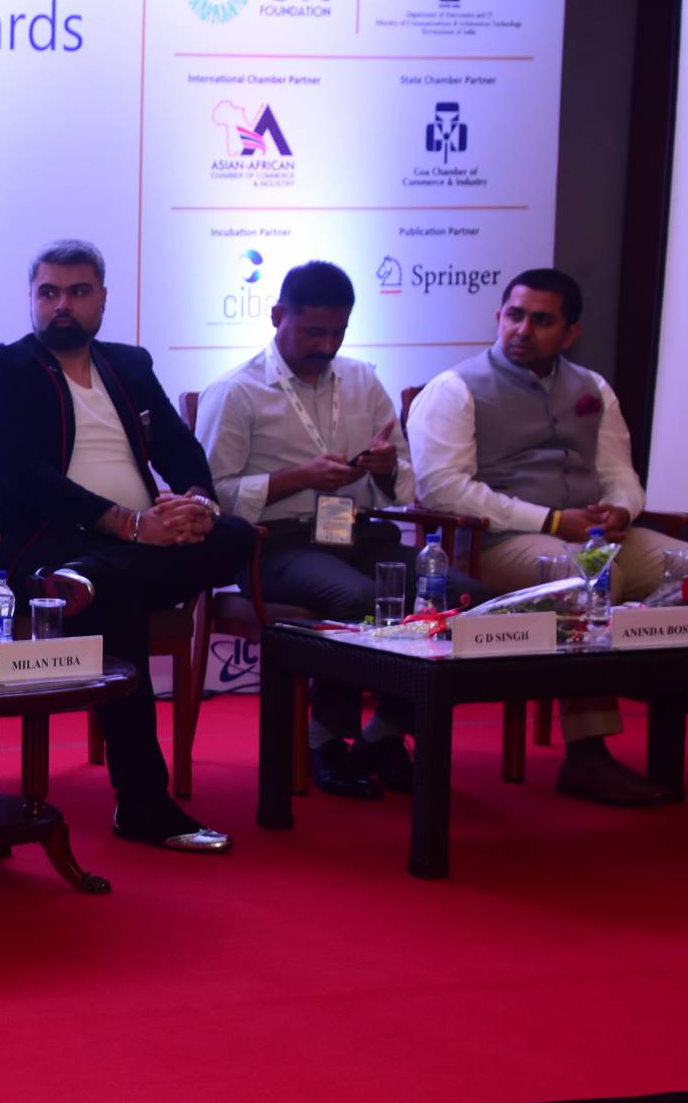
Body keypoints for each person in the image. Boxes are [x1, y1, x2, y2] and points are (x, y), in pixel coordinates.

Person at [0, 239, 254, 852]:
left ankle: (92, 577)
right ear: (32, 299)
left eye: (77, 292)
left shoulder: (130, 365)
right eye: (48, 293)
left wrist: (195, 506)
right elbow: (24, 478)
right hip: (35, 549)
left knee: (236, 535)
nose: (61, 305)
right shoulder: (4, 370)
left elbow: (180, 449)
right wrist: (127, 524)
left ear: (102, 299)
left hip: (122, 553)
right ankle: (142, 803)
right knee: (118, 594)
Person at [409, 268, 688, 802]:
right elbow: (443, 490)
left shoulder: (593, 388)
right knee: (588, 583)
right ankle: (586, 756)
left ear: (571, 333)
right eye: (514, 315)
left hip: (598, 536)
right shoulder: (455, 388)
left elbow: (619, 473)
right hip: (498, 544)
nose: (523, 330)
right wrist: (551, 520)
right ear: (498, 317)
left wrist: (622, 509)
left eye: (542, 320)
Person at [195, 260, 486, 798]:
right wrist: (299, 478)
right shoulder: (236, 391)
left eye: (338, 332)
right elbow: (209, 497)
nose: (326, 345)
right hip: (273, 545)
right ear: (277, 315)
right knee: (360, 599)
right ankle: (323, 740)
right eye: (313, 331)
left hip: (358, 533)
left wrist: (385, 468)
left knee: (464, 596)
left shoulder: (363, 381)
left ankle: (384, 733)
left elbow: (404, 482)